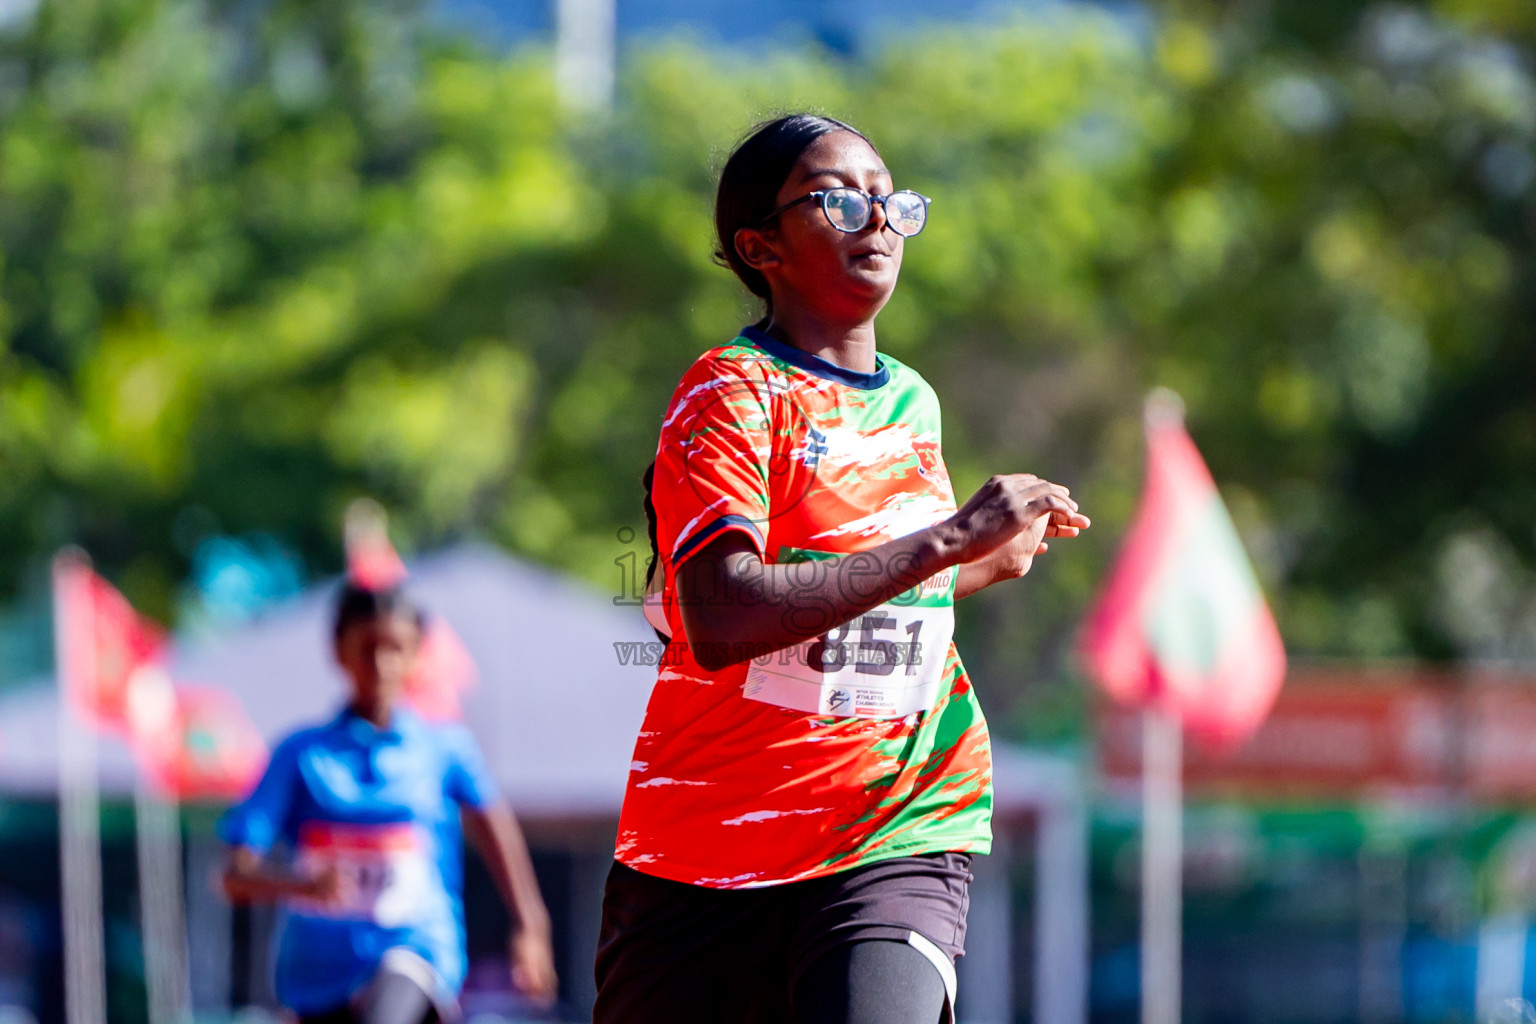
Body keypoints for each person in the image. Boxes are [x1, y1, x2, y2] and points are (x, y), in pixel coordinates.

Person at [594, 114, 1091, 1024]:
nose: (877, 219)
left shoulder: (913, 400)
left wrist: (973, 566)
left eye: (889, 199)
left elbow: (862, 595)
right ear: (761, 246)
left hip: (900, 821)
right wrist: (948, 540)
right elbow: (723, 614)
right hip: (706, 849)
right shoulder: (730, 390)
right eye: (837, 199)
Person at [219, 583, 558, 1024]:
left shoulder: (445, 750)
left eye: (396, 648)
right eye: (367, 648)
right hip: (318, 975)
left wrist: (531, 928)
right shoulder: (300, 755)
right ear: (339, 651)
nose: (381, 664)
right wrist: (301, 884)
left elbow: (497, 833)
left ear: (417, 655)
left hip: (416, 953)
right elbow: (234, 877)